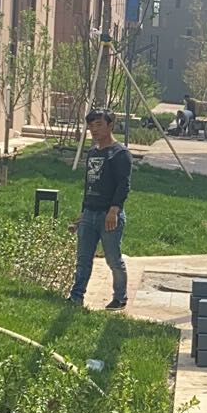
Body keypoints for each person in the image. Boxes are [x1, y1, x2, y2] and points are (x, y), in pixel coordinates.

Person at [68, 108, 132, 311]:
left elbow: (123, 185)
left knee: (113, 259)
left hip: (108, 214)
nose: (94, 130)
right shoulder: (93, 152)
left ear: (110, 126)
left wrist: (114, 210)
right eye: (91, 126)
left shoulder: (120, 153)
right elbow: (90, 184)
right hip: (89, 213)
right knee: (83, 259)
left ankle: (119, 298)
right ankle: (76, 296)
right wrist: (83, 212)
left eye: (98, 125)